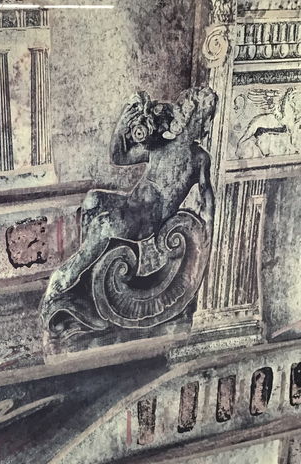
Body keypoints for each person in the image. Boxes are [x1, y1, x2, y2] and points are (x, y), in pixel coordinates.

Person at [40, 86, 217, 337]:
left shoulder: (199, 158)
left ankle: (63, 281)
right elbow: (119, 156)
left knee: (103, 225)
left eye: (205, 118)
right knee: (92, 200)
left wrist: (208, 226)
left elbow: (206, 193)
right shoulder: (160, 146)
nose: (204, 124)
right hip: (130, 205)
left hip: (146, 220)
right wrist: (126, 117)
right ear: (188, 118)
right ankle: (89, 279)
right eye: (201, 118)